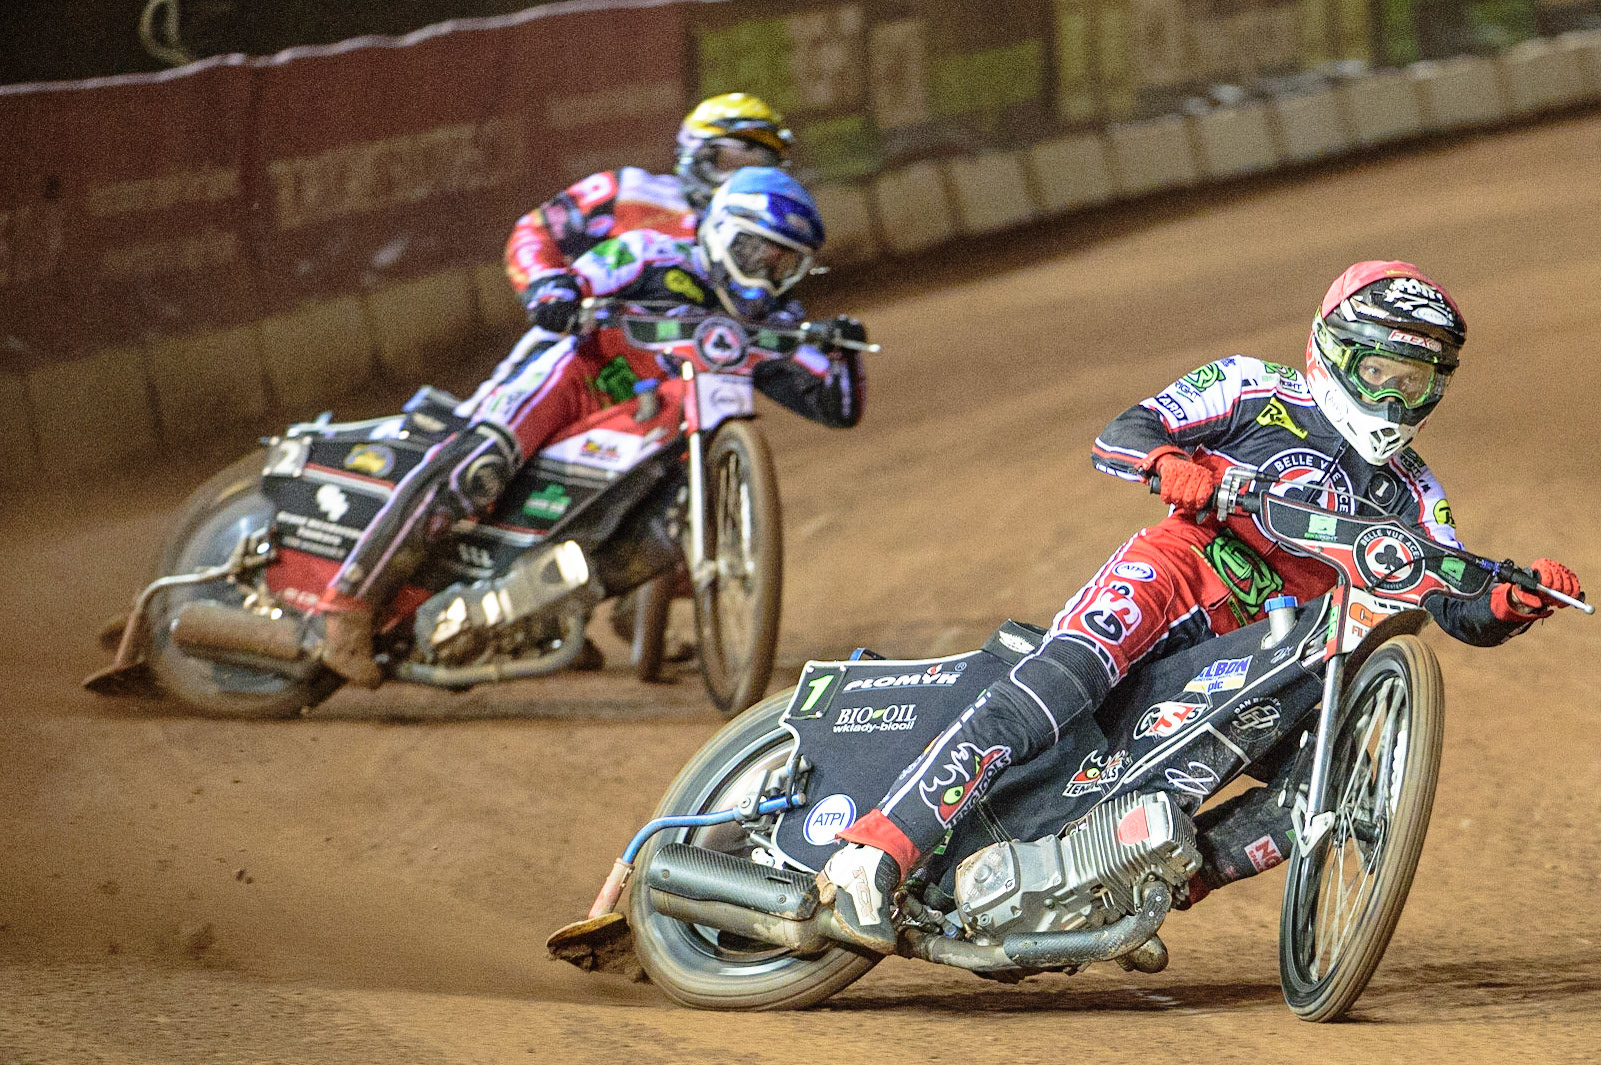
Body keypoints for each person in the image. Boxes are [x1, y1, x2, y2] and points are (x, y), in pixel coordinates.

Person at [816, 260, 1584, 953]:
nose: (1392, 396)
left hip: (1267, 653)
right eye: (1379, 370)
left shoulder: (1415, 493)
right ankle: (874, 852)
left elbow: (1452, 598)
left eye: (1413, 382)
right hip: (1176, 575)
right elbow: (1123, 431)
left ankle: (1122, 893)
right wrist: (1166, 464)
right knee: (1058, 684)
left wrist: (1509, 601)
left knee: (1339, 780)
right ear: (1333, 351)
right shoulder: (1253, 385)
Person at [314, 168, 866, 686]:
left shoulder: (774, 323)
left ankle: (534, 615)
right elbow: (574, 278)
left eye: (784, 264)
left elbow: (836, 406)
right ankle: (349, 604)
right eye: (755, 252)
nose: (765, 274)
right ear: (722, 231)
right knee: (480, 465)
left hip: (649, 436)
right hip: (576, 379)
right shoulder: (652, 250)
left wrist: (845, 348)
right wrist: (555, 291)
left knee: (656, 535)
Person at [505, 92, 793, 335]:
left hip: (701, 373)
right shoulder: (629, 189)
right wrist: (548, 286)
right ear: (697, 154)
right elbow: (535, 230)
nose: (744, 177)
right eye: (732, 160)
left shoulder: (767, 231)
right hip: (591, 348)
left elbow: (774, 310)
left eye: (760, 167)